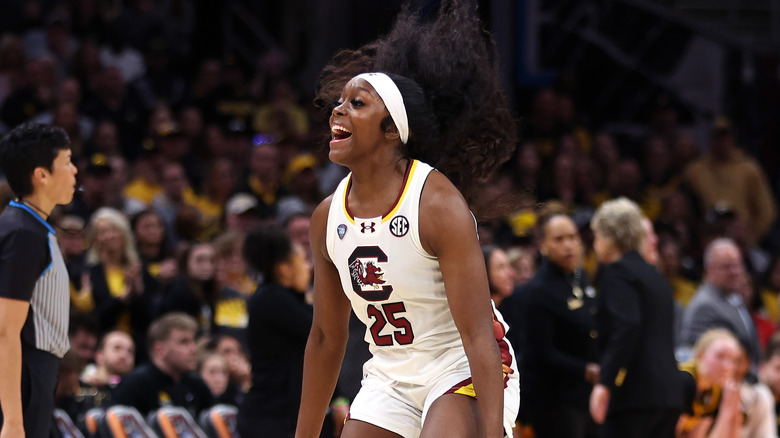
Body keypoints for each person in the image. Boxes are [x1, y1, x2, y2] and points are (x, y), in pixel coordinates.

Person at [295, 1, 520, 437]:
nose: (337, 111)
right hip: (391, 373)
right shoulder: (327, 218)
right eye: (338, 102)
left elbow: (477, 335)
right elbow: (325, 337)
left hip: (460, 364)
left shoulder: (437, 204)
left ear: (391, 131)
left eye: (355, 103)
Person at [0, 122, 78, 438]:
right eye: (67, 162)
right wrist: (13, 420)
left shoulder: (31, 226)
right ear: (41, 174)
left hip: (35, 373)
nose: (74, 171)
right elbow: (5, 331)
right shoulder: (22, 233)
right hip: (24, 374)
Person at [588, 197, 683, 437]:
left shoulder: (618, 272)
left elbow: (627, 325)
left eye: (597, 236)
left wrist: (605, 383)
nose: (595, 244)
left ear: (610, 237)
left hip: (637, 395)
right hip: (669, 393)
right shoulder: (656, 276)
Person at [515, 212, 600, 438]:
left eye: (573, 237)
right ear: (543, 245)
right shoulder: (539, 291)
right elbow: (540, 352)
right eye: (559, 239)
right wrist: (585, 370)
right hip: (555, 399)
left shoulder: (580, 277)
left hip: (586, 394)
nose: (569, 245)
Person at [238, 225, 323, 437]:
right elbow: (322, 332)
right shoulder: (272, 299)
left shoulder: (283, 299)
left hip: (282, 415)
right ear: (284, 269)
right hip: (272, 418)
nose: (309, 267)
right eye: (302, 260)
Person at [110, 312, 214, 418]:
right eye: (184, 342)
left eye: (193, 341)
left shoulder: (196, 384)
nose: (193, 349)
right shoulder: (135, 384)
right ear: (160, 350)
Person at [681, 238, 760, 374]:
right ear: (708, 271)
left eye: (738, 265)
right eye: (726, 266)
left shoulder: (733, 297)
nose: (735, 271)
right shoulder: (705, 306)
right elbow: (701, 356)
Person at [677, 328, 743, 437]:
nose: (727, 366)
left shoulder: (715, 389)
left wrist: (731, 412)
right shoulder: (685, 380)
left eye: (733, 360)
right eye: (720, 356)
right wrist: (726, 413)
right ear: (700, 355)